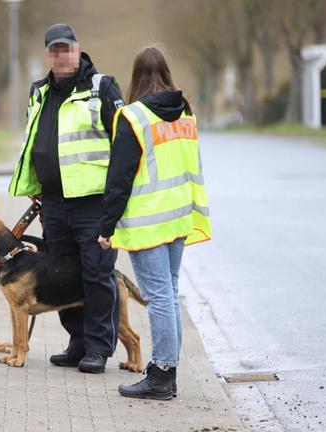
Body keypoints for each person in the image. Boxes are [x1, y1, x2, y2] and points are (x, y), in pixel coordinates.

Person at [8, 23, 125, 373]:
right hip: (53, 202)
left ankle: (98, 348)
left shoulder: (102, 87)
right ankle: (77, 343)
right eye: (55, 50)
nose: (61, 56)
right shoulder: (39, 91)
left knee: (97, 274)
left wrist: (116, 201)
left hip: (93, 202)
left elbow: (123, 144)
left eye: (66, 49)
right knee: (61, 275)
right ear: (48, 55)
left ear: (78, 49)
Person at [98, 46, 212, 399]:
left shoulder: (134, 117)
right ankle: (168, 373)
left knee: (160, 297)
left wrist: (106, 226)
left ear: (136, 76)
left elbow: (119, 178)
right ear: (166, 72)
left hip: (149, 222)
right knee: (169, 294)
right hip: (179, 216)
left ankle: (161, 374)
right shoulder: (186, 113)